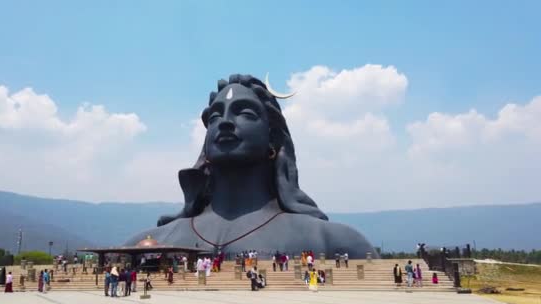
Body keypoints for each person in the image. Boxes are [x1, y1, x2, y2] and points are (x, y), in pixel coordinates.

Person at [126, 74, 378, 258]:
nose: (224, 122)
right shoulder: (148, 242)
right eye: (215, 116)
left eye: (245, 113)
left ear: (272, 137)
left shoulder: (336, 242)